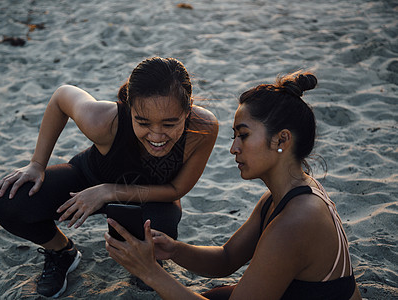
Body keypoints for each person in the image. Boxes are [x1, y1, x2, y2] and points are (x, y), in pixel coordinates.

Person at [105, 71, 362, 300]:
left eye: (244, 135)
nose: (233, 148)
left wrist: (149, 273)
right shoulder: (288, 195)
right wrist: (173, 249)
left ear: (282, 139)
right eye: (234, 136)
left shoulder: (296, 222)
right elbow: (227, 258)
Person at [0, 57, 218, 298]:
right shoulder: (103, 120)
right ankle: (62, 252)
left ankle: (145, 262)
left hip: (151, 197)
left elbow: (175, 189)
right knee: (10, 201)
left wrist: (108, 191)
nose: (157, 135)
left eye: (170, 123)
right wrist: (37, 164)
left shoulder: (203, 128)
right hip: (88, 178)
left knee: (162, 227)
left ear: (188, 109)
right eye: (143, 122)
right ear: (130, 107)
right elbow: (61, 96)